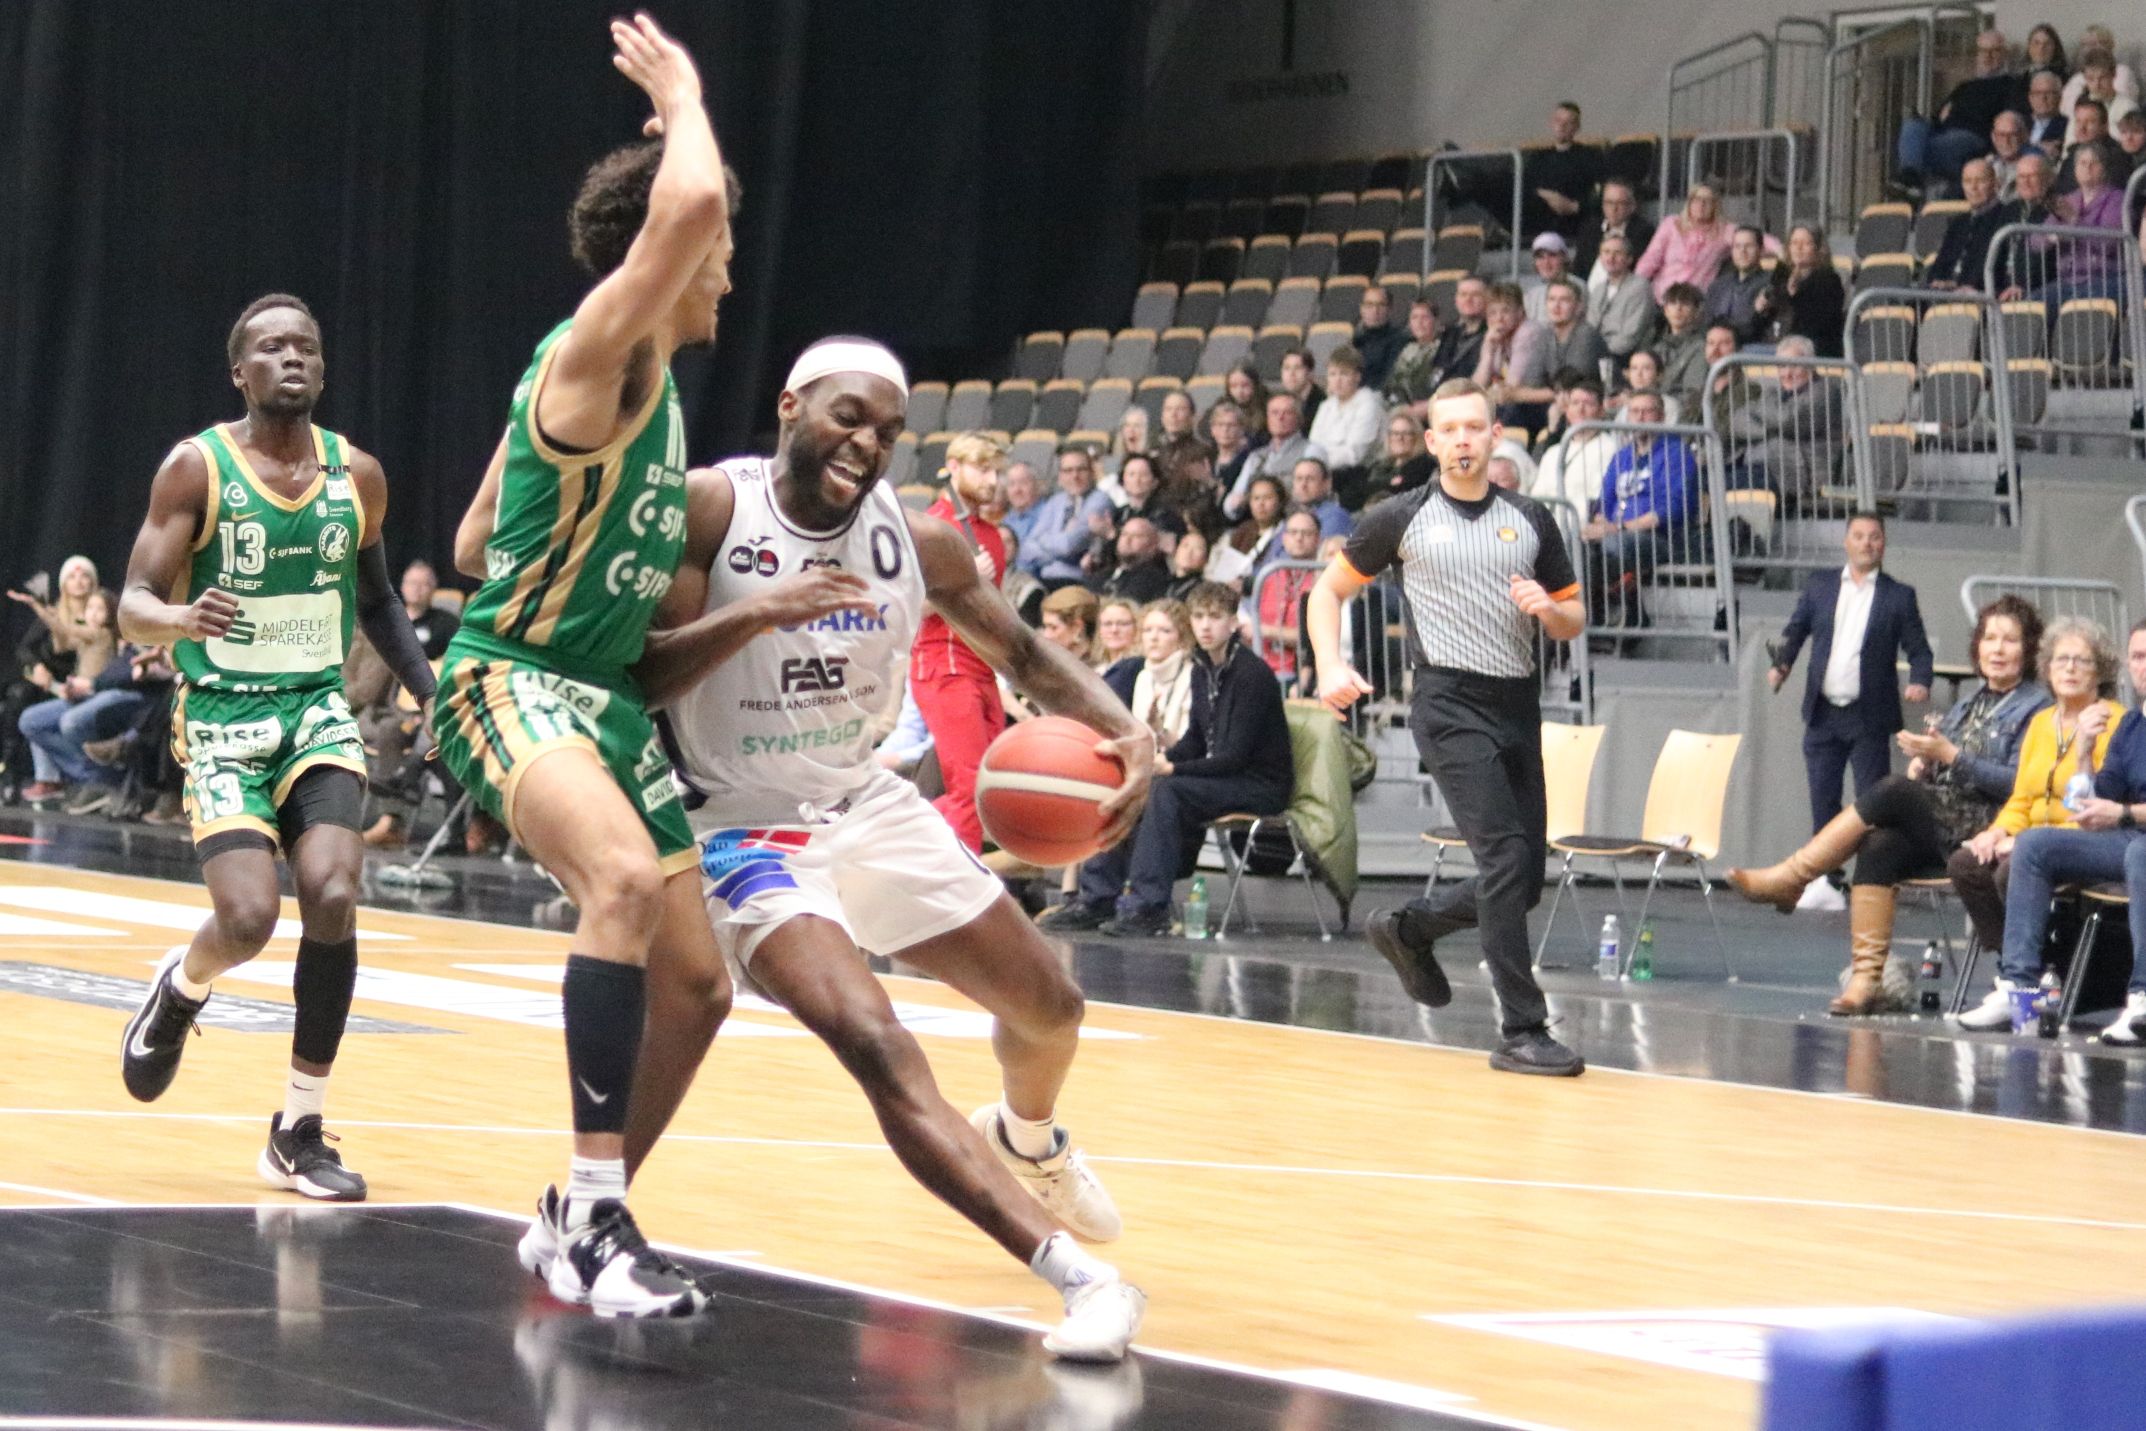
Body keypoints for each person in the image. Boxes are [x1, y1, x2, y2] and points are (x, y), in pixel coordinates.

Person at [622, 338, 1152, 1360]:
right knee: (876, 1040)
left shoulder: (921, 546)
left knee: (1052, 1010)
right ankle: (1080, 1282)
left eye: (888, 431)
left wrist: (1121, 731)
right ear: (790, 403)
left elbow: (1030, 655)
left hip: (866, 804)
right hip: (740, 824)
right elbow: (642, 679)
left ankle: (1029, 1139)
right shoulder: (710, 512)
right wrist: (764, 612)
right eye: (848, 416)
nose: (866, 443)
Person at [434, 16, 738, 1316]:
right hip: (509, 677)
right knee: (616, 880)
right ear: (659, 264)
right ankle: (602, 1214)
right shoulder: (595, 358)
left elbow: (465, 535)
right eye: (714, 253)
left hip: (603, 702)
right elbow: (689, 209)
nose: (725, 269)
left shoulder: (641, 393)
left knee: (699, 980)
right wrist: (681, 94)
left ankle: (576, 1209)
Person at [113, 289, 439, 1209]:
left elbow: (377, 602)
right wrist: (176, 616)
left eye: (306, 346)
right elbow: (133, 594)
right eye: (270, 347)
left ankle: (298, 1128)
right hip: (221, 714)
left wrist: (430, 691)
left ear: (322, 369)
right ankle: (183, 986)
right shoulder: (197, 469)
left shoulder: (357, 475)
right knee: (251, 919)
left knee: (335, 890)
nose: (290, 357)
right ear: (239, 370)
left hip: (315, 711)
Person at [1307, 378, 1586, 1076]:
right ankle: (1522, 1028)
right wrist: (1329, 661)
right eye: (1450, 428)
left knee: (1522, 882)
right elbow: (1328, 590)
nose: (1463, 438)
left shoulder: (1530, 519)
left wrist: (1546, 612)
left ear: (1496, 436)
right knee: (1502, 862)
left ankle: (1407, 929)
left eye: (1475, 427)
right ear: (1431, 442)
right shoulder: (1400, 516)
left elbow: (1574, 615)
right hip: (1447, 704)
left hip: (1518, 702)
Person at [1727, 597, 2050, 1013]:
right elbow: (1947, 767)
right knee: (1879, 845)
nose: (1998, 649)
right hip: (1945, 818)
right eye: (1990, 639)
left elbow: (2021, 783)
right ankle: (1865, 981)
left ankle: (1795, 876)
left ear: (2028, 650)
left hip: (1989, 828)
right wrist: (1927, 765)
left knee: (1893, 790)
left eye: (2010, 640)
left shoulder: (2037, 707)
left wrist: (1950, 756)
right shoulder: (1970, 703)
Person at [1042, 580, 1289, 938]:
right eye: (1199, 617)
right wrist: (1164, 758)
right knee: (1132, 781)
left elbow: (1233, 756)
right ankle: (1097, 898)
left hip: (1259, 785)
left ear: (1233, 623)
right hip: (1222, 775)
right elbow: (1195, 738)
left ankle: (1147, 906)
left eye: (1215, 618)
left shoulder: (1251, 675)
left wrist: (1172, 767)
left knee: (1167, 790)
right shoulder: (1204, 668)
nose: (1205, 626)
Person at [1963, 619, 2146, 1038]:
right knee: (2034, 845)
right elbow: (2096, 799)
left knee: (2140, 853)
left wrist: (2121, 814)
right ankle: (2020, 989)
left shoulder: (2120, 718)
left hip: (2136, 841)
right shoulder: (2132, 726)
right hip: (2122, 839)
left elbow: (2117, 811)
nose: (2144, 666)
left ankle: (2141, 1000)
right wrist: (2084, 751)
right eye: (2138, 657)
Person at [1768, 513, 1933, 909]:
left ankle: (1871, 880)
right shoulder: (1820, 586)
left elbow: (1919, 649)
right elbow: (1796, 631)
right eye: (1858, 536)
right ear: (1846, 542)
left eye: (1874, 537)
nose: (1866, 544)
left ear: (1884, 544)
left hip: (1868, 716)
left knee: (1870, 803)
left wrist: (1921, 680)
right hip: (1823, 712)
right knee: (1823, 800)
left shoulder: (1898, 596)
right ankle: (1826, 879)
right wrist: (1782, 665)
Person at [910, 431, 1009, 853]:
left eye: (996, 471)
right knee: (971, 788)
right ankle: (969, 899)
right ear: (954, 468)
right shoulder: (932, 528)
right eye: (983, 469)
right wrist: (966, 579)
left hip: (981, 666)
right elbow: (909, 607)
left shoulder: (990, 535)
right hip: (943, 665)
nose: (993, 480)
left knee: (988, 789)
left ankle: (913, 849)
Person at [352, 559, 461, 848]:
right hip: (398, 705)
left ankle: (406, 778)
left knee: (433, 735)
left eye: (425, 583)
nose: (418, 589)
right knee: (389, 730)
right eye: (412, 582)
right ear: (401, 586)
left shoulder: (446, 623)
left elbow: (454, 664)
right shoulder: (389, 620)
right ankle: (392, 821)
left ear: (434, 589)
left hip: (433, 702)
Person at [1582, 391, 1697, 627]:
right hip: (1616, 535)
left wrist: (1620, 528)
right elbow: (1604, 501)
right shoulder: (1622, 457)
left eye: (1647, 411)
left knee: (1612, 546)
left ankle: (1606, 610)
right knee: (1570, 544)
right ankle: (1604, 611)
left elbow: (1672, 509)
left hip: (1658, 539)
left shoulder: (1676, 453)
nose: (1640, 417)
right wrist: (1601, 526)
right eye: (1634, 412)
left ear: (1661, 417)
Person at [1895, 28, 2016, 193]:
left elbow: (2005, 119)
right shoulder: (1964, 86)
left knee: (1924, 149)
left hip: (1974, 136)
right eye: (1983, 51)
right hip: (1945, 132)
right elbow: (1938, 117)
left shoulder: (2010, 85)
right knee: (1912, 125)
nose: (1987, 57)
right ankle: (1911, 177)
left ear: (2004, 54)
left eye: (1994, 51)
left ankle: (1911, 182)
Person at [1019, 447, 1115, 589]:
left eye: (1081, 469)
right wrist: (1058, 549)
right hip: (1045, 579)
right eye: (1068, 471)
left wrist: (1045, 540)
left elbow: (1069, 545)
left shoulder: (1100, 500)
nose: (1075, 476)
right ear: (1060, 477)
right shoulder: (1055, 501)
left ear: (1092, 473)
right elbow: (1026, 549)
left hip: (1078, 581)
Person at [1753, 224, 1847, 358]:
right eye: (1794, 243)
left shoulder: (1830, 281)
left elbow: (1817, 327)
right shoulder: (1781, 276)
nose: (1799, 248)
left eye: (1806, 243)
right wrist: (1759, 311)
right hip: (1774, 344)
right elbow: (1761, 326)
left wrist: (1795, 295)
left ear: (1818, 248)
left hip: (1811, 349)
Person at [1252, 509, 1323, 681]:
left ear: (1318, 539)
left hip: (1300, 669)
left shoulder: (1322, 579)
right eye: (1293, 532)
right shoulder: (1269, 577)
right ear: (1284, 539)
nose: (1299, 538)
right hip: (1262, 663)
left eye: (1306, 533)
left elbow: (1314, 637)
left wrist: (1265, 631)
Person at [1474, 282, 1551, 434]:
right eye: (1492, 313)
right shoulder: (1494, 336)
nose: (1499, 319)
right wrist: (1488, 350)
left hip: (1536, 404)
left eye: (1505, 311)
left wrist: (1486, 393)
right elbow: (1477, 385)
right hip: (1512, 402)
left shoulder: (1528, 333)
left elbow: (1512, 387)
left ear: (1520, 312)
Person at [1635, 184, 1732, 304]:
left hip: (1694, 303)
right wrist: (1634, 286)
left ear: (1715, 206)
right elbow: (1651, 258)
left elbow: (1757, 240)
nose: (1701, 205)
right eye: (1696, 199)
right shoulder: (1671, 224)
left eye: (1708, 201)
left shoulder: (1724, 231)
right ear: (1689, 203)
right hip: (1662, 298)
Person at [1924, 157, 2009, 289]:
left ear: (1995, 184)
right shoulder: (1958, 222)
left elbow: (1995, 267)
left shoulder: (2005, 217)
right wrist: (1937, 282)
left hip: (1979, 295)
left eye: (1980, 181)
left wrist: (1957, 284)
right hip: (1944, 293)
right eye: (1967, 181)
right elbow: (1939, 265)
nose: (1973, 188)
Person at [1305, 347, 1382, 483]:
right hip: (1322, 471)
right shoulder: (1326, 406)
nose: (1337, 380)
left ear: (1357, 376)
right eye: (1332, 374)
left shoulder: (1369, 403)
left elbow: (1355, 454)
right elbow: (1314, 443)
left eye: (1344, 374)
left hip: (1357, 475)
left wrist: (1319, 460)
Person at [1129, 599, 1196, 745]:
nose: (1154, 637)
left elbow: (1189, 745)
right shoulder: (1144, 677)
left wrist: (1158, 728)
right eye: (1147, 630)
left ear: (1182, 637)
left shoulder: (1193, 676)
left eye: (1165, 631)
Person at [1587, 234, 1659, 361]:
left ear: (1629, 259)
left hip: (1625, 357)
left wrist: (1600, 354)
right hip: (1594, 353)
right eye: (1606, 252)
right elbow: (1590, 326)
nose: (1611, 258)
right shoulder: (1599, 289)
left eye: (1618, 253)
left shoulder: (1640, 287)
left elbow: (1630, 335)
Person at [1703, 225, 1774, 346]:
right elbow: (1706, 325)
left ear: (1761, 250)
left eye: (1749, 246)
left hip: (1752, 351)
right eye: (1737, 246)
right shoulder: (1718, 286)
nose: (1742, 251)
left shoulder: (1771, 283)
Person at [1574, 179, 1656, 281]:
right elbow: (1579, 268)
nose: (1614, 208)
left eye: (1620, 203)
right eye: (1609, 202)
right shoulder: (1590, 229)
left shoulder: (1643, 232)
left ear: (1632, 206)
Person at [1381, 298, 1444, 416]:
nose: (1419, 323)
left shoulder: (1443, 348)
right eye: (1414, 318)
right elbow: (1393, 383)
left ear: (1435, 321)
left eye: (1425, 317)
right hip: (1401, 408)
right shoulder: (1407, 349)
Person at [1366, 409, 1436, 507]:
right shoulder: (1380, 465)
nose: (1400, 438)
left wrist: (1382, 485)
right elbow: (1364, 490)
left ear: (1416, 437)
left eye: (1406, 433)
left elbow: (1404, 491)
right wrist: (1389, 483)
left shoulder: (1424, 465)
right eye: (1395, 433)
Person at [1351, 285, 1406, 390]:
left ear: (1390, 309)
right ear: (1361, 309)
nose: (1375, 311)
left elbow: (1389, 381)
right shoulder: (1354, 341)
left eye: (1381, 305)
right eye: (1369, 305)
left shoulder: (1399, 340)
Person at [1164, 528, 1210, 601]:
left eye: (1198, 548)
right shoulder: (1162, 582)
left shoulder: (1204, 590)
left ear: (1206, 559)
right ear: (1176, 551)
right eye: (1185, 546)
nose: (1189, 552)